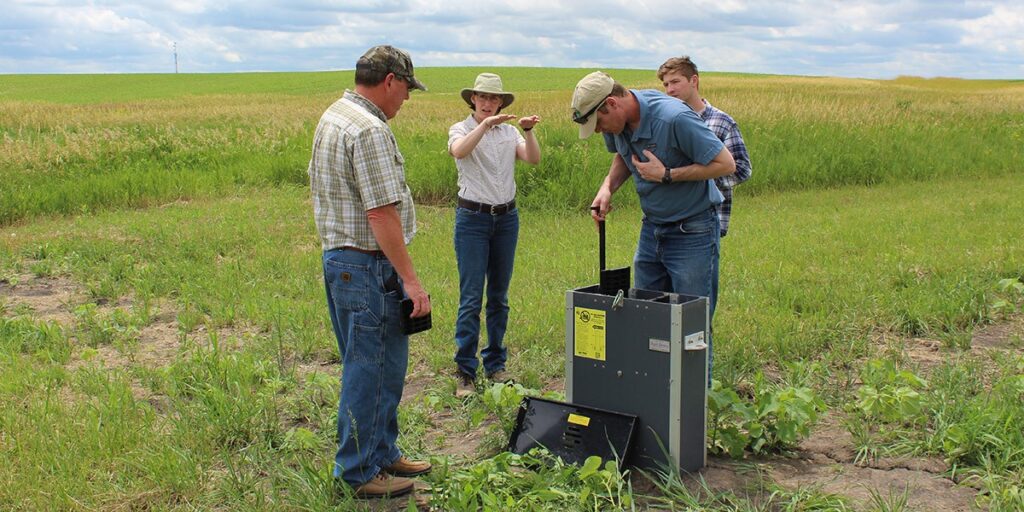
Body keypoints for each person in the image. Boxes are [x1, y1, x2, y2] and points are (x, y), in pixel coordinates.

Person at [308, 45, 432, 499]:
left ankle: (382, 452)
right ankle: (360, 473)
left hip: (341, 261)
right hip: (367, 264)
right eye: (406, 91)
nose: (405, 100)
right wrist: (411, 280)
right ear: (390, 81)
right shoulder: (369, 130)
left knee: (376, 365)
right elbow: (381, 214)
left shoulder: (334, 115)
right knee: (371, 368)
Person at [571, 71, 735, 383]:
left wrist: (668, 174)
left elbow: (726, 164)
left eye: (599, 124)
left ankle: (695, 407)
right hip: (653, 230)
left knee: (692, 325)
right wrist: (607, 188)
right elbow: (623, 155)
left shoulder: (674, 118)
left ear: (611, 104)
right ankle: (656, 396)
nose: (598, 132)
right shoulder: (617, 119)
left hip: (693, 231)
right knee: (645, 315)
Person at [447, 73, 541, 397]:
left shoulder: (509, 132)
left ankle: (496, 364)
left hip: (505, 219)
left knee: (499, 297)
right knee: (472, 297)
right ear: (472, 99)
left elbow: (532, 158)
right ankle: (465, 372)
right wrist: (484, 126)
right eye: (482, 97)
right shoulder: (461, 129)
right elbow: (459, 152)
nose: (488, 103)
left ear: (501, 102)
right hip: (472, 218)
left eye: (493, 98)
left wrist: (527, 131)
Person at [658, 56, 752, 237]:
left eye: (675, 82)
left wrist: (697, 180)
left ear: (694, 80)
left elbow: (742, 169)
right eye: (666, 85)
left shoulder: (721, 122)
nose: (670, 90)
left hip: (707, 220)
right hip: (668, 218)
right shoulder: (665, 121)